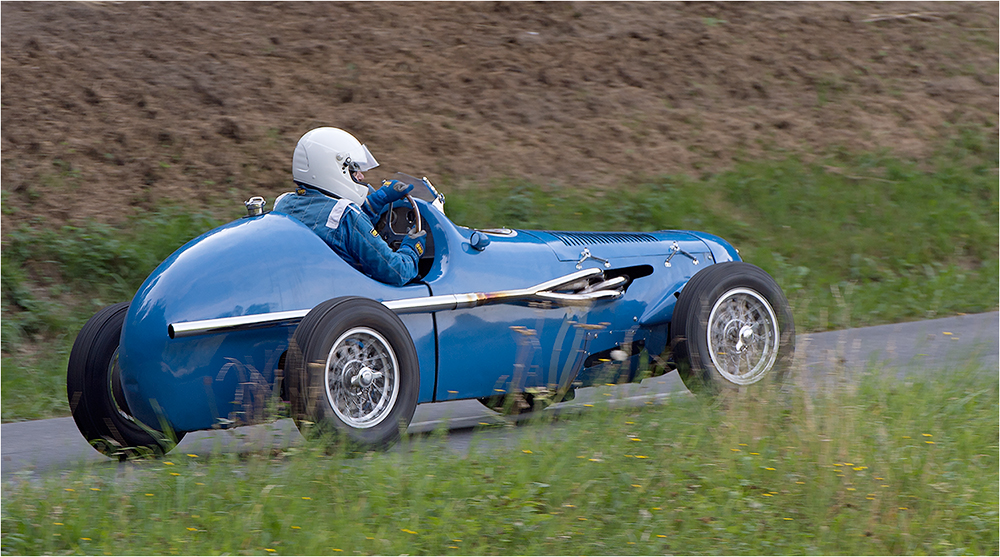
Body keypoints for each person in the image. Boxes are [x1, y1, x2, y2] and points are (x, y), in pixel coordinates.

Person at [274, 127, 426, 287]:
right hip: (348, 298)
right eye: (354, 170)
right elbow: (397, 271)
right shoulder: (345, 215)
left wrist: (373, 203)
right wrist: (411, 249)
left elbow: (332, 229)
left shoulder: (283, 204)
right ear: (334, 170)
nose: (362, 177)